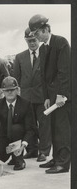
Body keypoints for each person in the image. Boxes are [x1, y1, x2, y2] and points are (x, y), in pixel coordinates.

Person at [29, 14, 71, 174]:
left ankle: (63, 163)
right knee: (53, 128)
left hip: (63, 96)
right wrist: (46, 97)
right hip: (52, 96)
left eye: (38, 33)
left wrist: (61, 95)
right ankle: (56, 157)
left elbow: (64, 72)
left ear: (46, 29)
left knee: (63, 130)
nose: (36, 37)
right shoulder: (43, 47)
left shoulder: (60, 43)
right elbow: (44, 76)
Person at [13, 27, 52, 162]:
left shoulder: (46, 53)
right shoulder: (19, 57)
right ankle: (32, 150)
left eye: (34, 40)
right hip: (26, 98)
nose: (32, 43)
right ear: (26, 41)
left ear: (38, 39)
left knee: (44, 124)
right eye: (29, 41)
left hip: (42, 97)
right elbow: (16, 79)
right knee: (29, 125)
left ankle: (44, 151)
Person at [0, 76, 36, 171]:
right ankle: (10, 154)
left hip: (19, 136)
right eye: (6, 90)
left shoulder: (26, 104)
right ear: (2, 91)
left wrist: (23, 146)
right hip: (5, 137)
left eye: (12, 90)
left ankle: (18, 159)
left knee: (16, 128)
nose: (9, 92)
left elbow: (31, 129)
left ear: (17, 90)